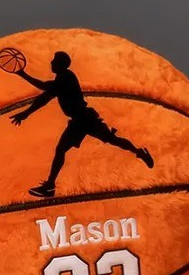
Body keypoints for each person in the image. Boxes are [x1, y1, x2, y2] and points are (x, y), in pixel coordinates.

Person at [10, 51, 154, 198]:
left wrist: (23, 74)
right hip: (78, 121)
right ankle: (50, 186)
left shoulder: (67, 77)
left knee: (111, 140)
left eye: (54, 61)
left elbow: (45, 87)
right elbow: (44, 98)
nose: (51, 63)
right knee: (63, 149)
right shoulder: (60, 80)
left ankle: (139, 152)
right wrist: (26, 113)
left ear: (61, 64)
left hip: (84, 119)